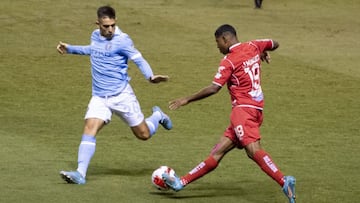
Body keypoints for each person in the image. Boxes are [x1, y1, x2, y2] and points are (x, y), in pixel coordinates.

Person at [162, 24, 296, 203]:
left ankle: (283, 180)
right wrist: (262, 52)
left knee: (253, 150)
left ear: (225, 39)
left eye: (217, 42)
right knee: (218, 151)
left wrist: (186, 99)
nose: (217, 46)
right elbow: (275, 43)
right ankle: (181, 183)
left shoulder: (229, 60)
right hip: (257, 111)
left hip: (243, 112)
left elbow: (213, 88)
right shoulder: (254, 45)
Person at [56, 5, 173, 185]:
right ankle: (80, 173)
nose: (110, 29)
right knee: (89, 128)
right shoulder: (95, 36)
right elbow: (93, 50)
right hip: (100, 97)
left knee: (143, 135)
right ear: (98, 24)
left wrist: (150, 76)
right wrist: (70, 49)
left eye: (112, 25)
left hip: (122, 95)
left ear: (115, 22)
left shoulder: (123, 40)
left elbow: (138, 59)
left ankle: (157, 116)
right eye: (105, 26)